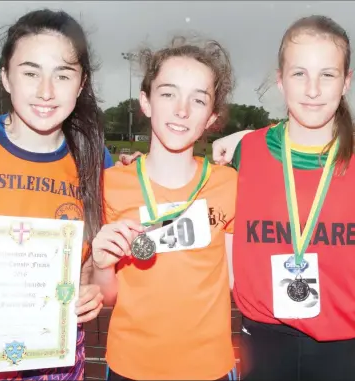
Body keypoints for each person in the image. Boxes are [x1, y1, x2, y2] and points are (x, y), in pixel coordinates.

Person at [210, 15, 355, 381]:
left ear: (347, 82)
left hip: (345, 347)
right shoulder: (245, 152)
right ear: (280, 80)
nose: (313, 89)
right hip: (262, 339)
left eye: (328, 74)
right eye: (299, 74)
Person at [0, 9, 110, 380]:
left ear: (81, 84)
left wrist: (91, 288)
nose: (46, 91)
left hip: (54, 352)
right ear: (6, 77)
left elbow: (95, 259)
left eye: (63, 75)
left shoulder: (97, 160)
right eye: (31, 72)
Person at [91, 37, 238, 381]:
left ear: (212, 116)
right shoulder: (110, 184)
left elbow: (231, 282)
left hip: (210, 368)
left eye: (198, 99)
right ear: (146, 101)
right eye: (168, 93)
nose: (182, 110)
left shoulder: (229, 184)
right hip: (131, 365)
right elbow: (108, 295)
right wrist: (101, 265)